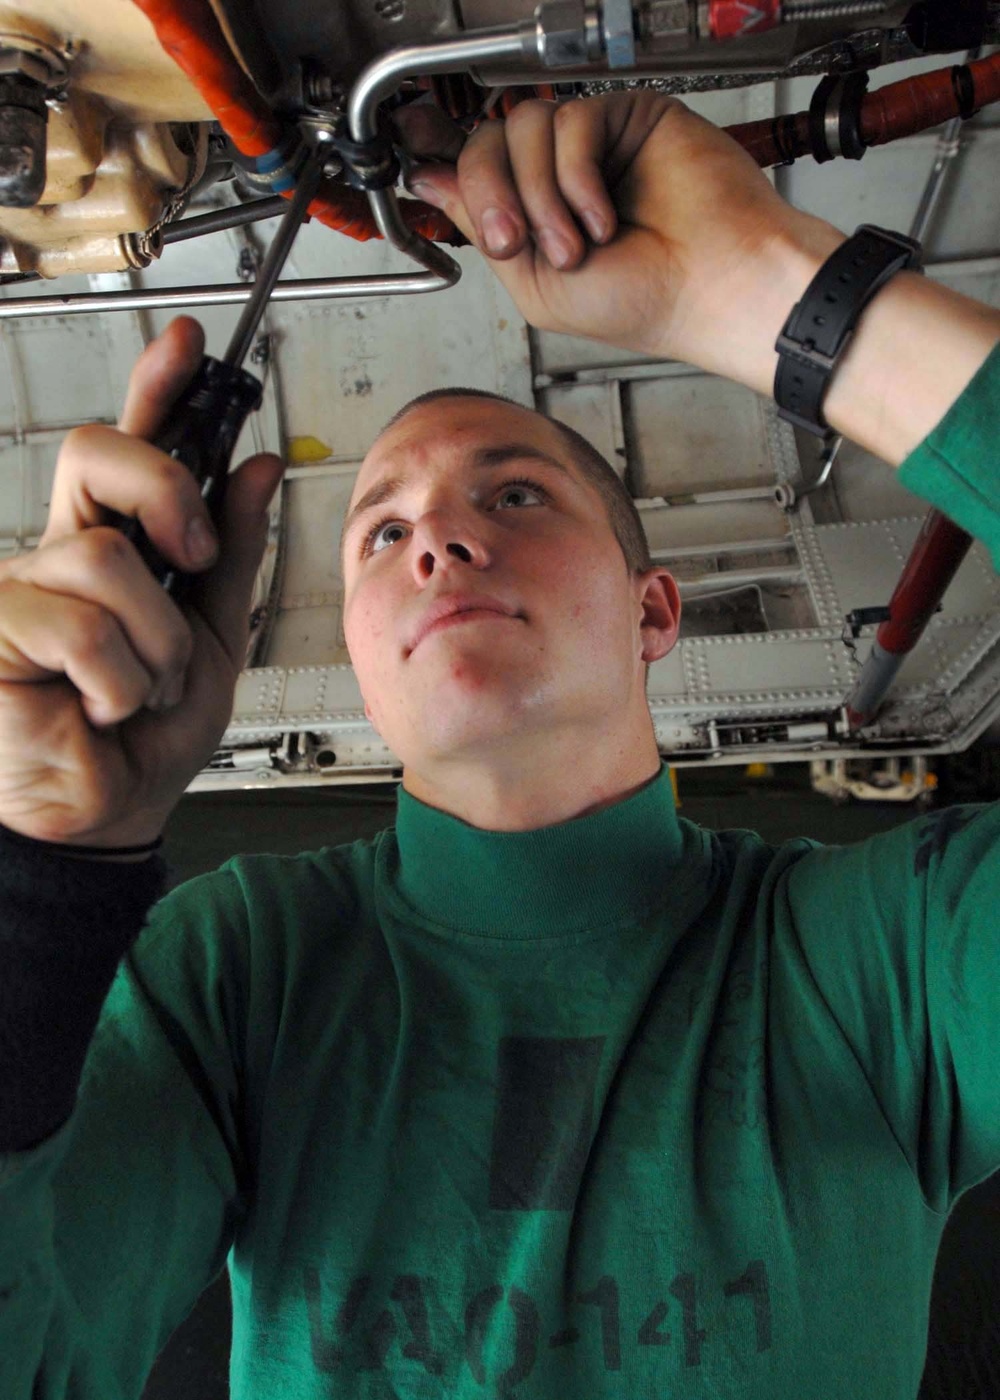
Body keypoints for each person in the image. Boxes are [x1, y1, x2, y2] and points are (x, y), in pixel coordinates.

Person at [0, 90, 997, 1399]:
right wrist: (34, 890)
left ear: (653, 612)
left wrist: (772, 289)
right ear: (356, 651)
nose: (437, 540)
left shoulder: (893, 955)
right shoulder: (233, 972)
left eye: (515, 493)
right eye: (379, 532)